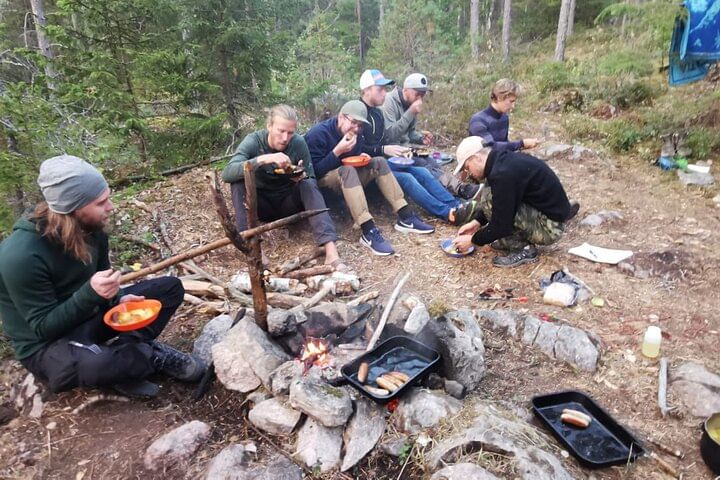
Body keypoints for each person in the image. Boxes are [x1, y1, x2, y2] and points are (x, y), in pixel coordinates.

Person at [0, 155, 205, 398]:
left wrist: (116, 299)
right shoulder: (20, 256)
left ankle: (127, 355)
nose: (110, 207)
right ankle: (138, 358)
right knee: (97, 364)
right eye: (100, 203)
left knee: (169, 289)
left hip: (89, 315)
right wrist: (90, 294)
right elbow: (43, 328)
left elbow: (102, 281)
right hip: (47, 344)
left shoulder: (92, 229)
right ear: (74, 208)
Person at [222, 105, 347, 271]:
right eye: (281, 131)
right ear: (269, 126)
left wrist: (299, 175)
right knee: (238, 181)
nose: (285, 138)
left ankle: (331, 251)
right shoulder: (254, 141)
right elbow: (227, 173)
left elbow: (311, 177)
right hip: (260, 205)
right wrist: (264, 159)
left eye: (290, 132)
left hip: (288, 204)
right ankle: (251, 245)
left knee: (308, 183)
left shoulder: (298, 143)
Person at [304, 100, 434, 256]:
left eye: (360, 125)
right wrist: (337, 151)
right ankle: (368, 230)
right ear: (341, 117)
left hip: (347, 180)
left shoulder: (357, 134)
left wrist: (362, 157)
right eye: (353, 123)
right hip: (324, 185)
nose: (356, 128)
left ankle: (405, 216)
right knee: (347, 170)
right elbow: (314, 172)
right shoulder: (319, 133)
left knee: (378, 162)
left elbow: (353, 158)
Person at [358, 69, 469, 223]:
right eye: (380, 89)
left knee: (422, 171)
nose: (384, 93)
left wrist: (413, 143)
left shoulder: (377, 113)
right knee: (408, 178)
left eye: (385, 89)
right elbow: (362, 146)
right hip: (370, 167)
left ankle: (456, 205)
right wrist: (383, 149)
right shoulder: (359, 112)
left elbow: (387, 138)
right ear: (366, 90)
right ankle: (447, 212)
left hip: (383, 161)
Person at [451, 137, 580, 268]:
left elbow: (501, 225)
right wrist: (477, 222)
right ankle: (507, 240)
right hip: (552, 212)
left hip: (550, 228)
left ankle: (523, 249)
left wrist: (472, 240)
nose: (469, 173)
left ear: (477, 158)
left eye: (467, 167)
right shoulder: (501, 161)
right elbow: (504, 201)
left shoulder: (502, 174)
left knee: (488, 198)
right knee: (490, 197)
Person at [382, 73, 479, 200]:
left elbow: (409, 133)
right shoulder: (389, 101)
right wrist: (411, 112)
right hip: (391, 152)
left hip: (406, 150)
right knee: (423, 164)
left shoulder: (411, 102)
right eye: (417, 94)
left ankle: (454, 191)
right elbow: (390, 135)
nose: (420, 99)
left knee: (432, 161)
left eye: (422, 95)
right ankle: (460, 189)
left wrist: (420, 138)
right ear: (405, 90)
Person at [468, 79, 541, 152]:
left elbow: (504, 145)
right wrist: (521, 144)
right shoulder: (478, 120)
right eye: (511, 101)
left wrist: (522, 147)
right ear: (499, 97)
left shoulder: (504, 117)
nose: (513, 106)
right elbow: (489, 147)